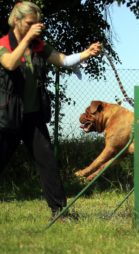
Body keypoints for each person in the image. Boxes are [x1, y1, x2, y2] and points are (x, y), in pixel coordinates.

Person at [0, 1, 101, 219]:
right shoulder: (2, 44)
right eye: (30, 23)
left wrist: (85, 53)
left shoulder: (38, 45)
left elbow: (62, 60)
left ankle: (60, 211)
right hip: (7, 116)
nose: (35, 27)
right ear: (16, 21)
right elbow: (9, 63)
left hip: (33, 116)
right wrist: (26, 39)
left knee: (47, 161)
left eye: (37, 23)